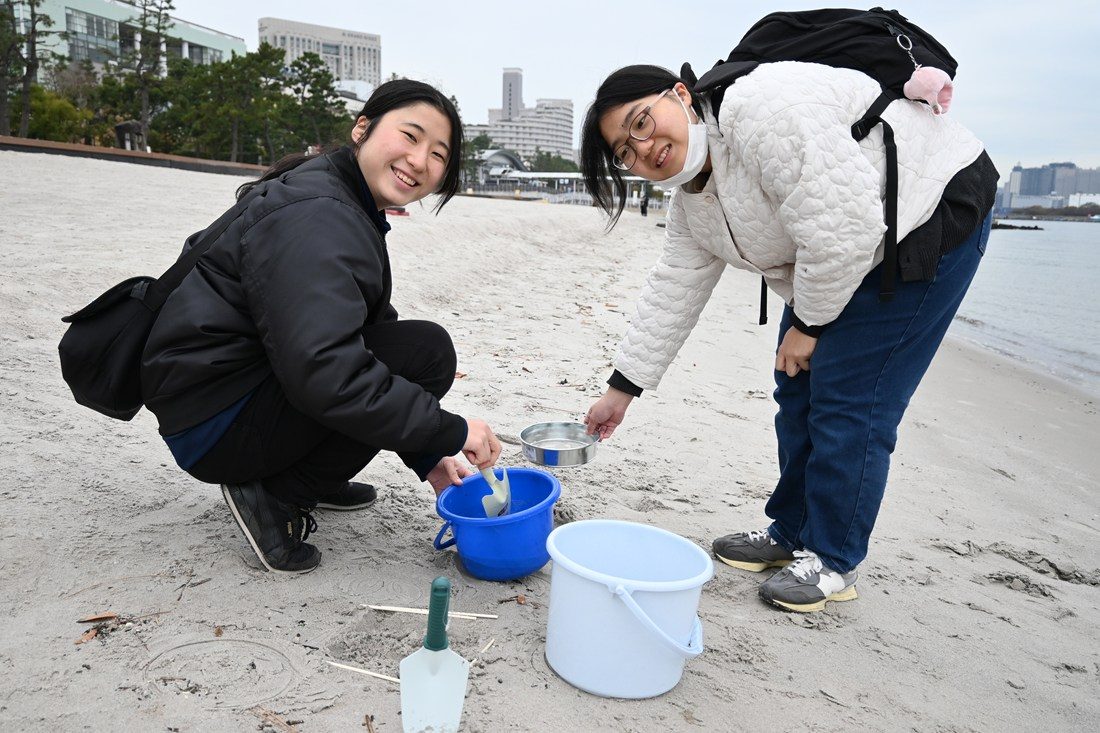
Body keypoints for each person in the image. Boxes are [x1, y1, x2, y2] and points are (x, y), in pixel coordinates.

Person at [580, 62, 997, 612]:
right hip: (846, 247)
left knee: (850, 397)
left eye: (641, 122)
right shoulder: (692, 202)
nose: (643, 148)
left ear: (679, 95)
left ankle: (833, 559)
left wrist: (808, 325)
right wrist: (621, 390)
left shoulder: (760, 112)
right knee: (796, 387)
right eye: (624, 152)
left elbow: (846, 226)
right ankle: (792, 531)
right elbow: (674, 289)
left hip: (931, 207)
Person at [141, 80, 502, 575]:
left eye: (438, 154)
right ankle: (276, 495)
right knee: (427, 354)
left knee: (418, 350)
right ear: (362, 128)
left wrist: (427, 454)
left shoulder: (339, 195)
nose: (420, 161)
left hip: (218, 390)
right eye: (410, 136)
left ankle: (310, 472)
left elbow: (365, 333)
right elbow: (327, 371)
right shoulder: (319, 214)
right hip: (214, 420)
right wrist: (450, 430)